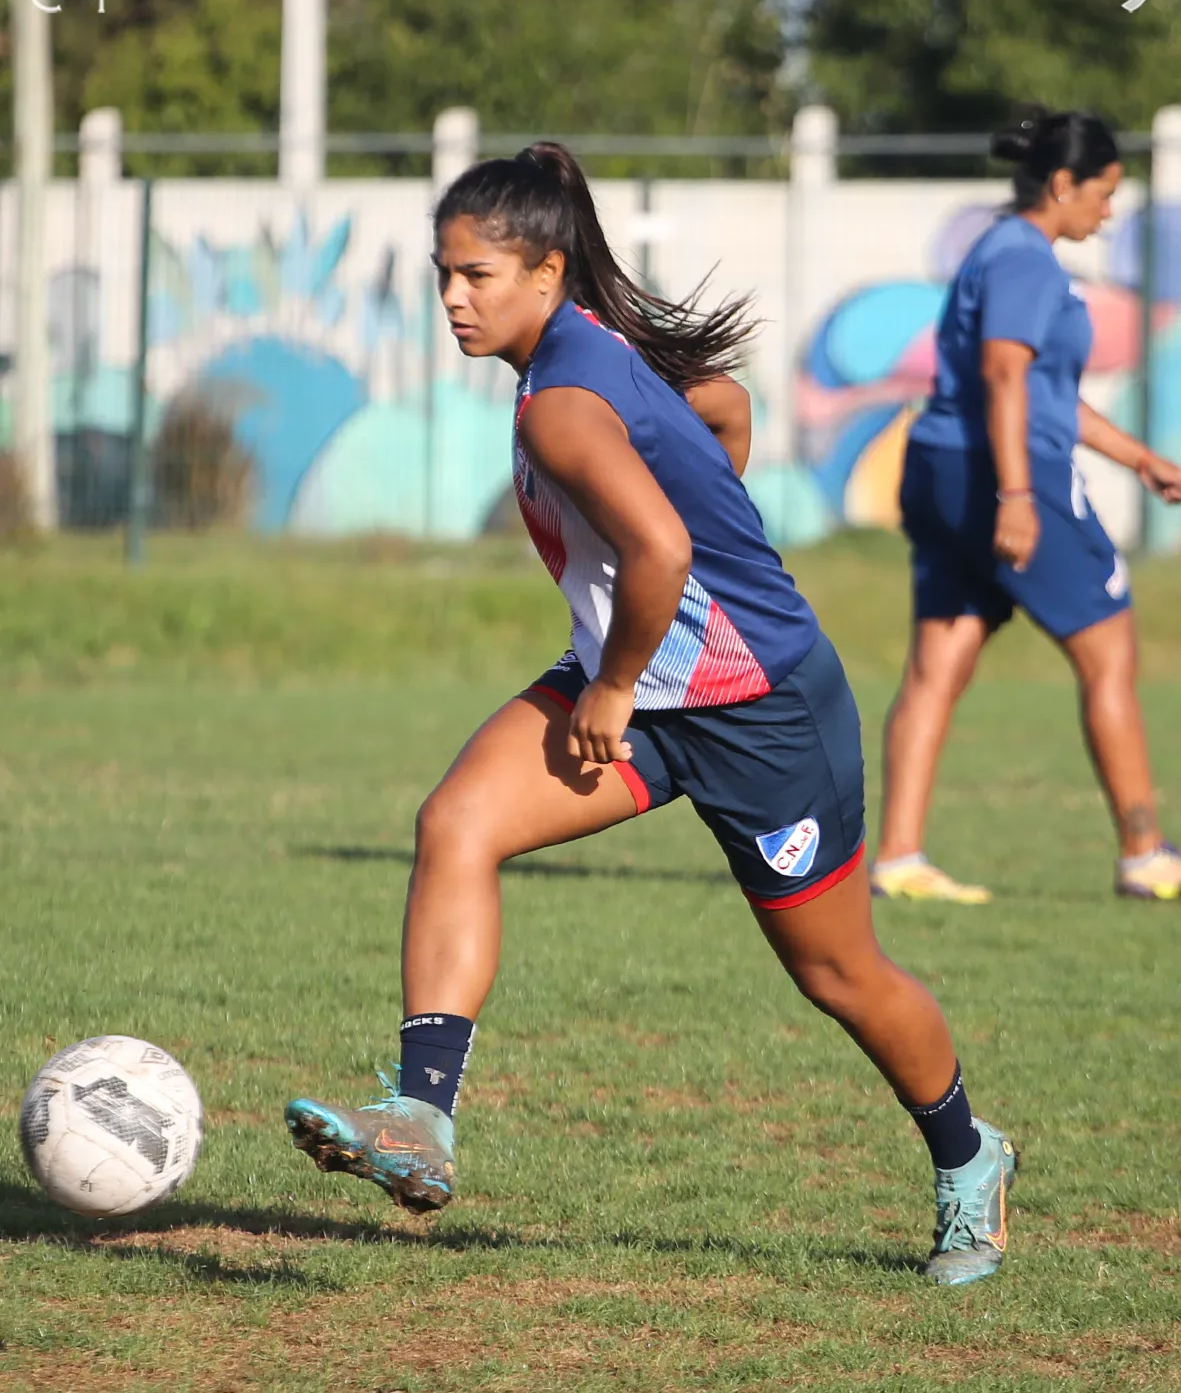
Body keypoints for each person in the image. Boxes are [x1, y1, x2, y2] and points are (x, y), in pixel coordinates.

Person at [284, 142, 1016, 1285]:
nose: (452, 299)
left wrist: (623, 676)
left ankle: (969, 1158)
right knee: (456, 825)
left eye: (475, 275)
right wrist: (650, 621)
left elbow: (662, 548)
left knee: (838, 976)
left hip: (759, 710)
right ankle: (419, 1120)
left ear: (546, 272)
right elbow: (722, 409)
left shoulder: (562, 401)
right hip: (633, 685)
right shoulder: (580, 351)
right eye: (442, 274)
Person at [871, 108, 1181, 907]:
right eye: (1102, 193)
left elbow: (1045, 394)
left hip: (941, 467)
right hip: (1002, 474)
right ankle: (1144, 854)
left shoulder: (998, 249)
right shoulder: (1024, 260)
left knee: (938, 662)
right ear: (1062, 183)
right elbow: (1005, 377)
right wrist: (1015, 496)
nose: (1107, 212)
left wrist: (1138, 458)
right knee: (1107, 651)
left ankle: (897, 858)